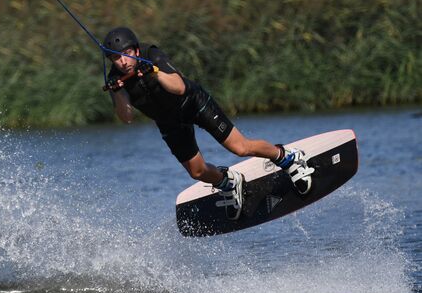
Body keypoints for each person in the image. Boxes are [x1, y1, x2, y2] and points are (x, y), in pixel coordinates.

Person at [104, 27, 314, 219]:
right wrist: (118, 93)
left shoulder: (151, 54)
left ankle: (287, 158)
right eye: (116, 58)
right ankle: (230, 182)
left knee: (241, 148)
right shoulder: (116, 79)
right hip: (169, 121)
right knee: (197, 172)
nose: (122, 61)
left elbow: (179, 88)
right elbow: (127, 118)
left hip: (193, 103)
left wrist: (154, 72)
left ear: (136, 50)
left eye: (126, 54)